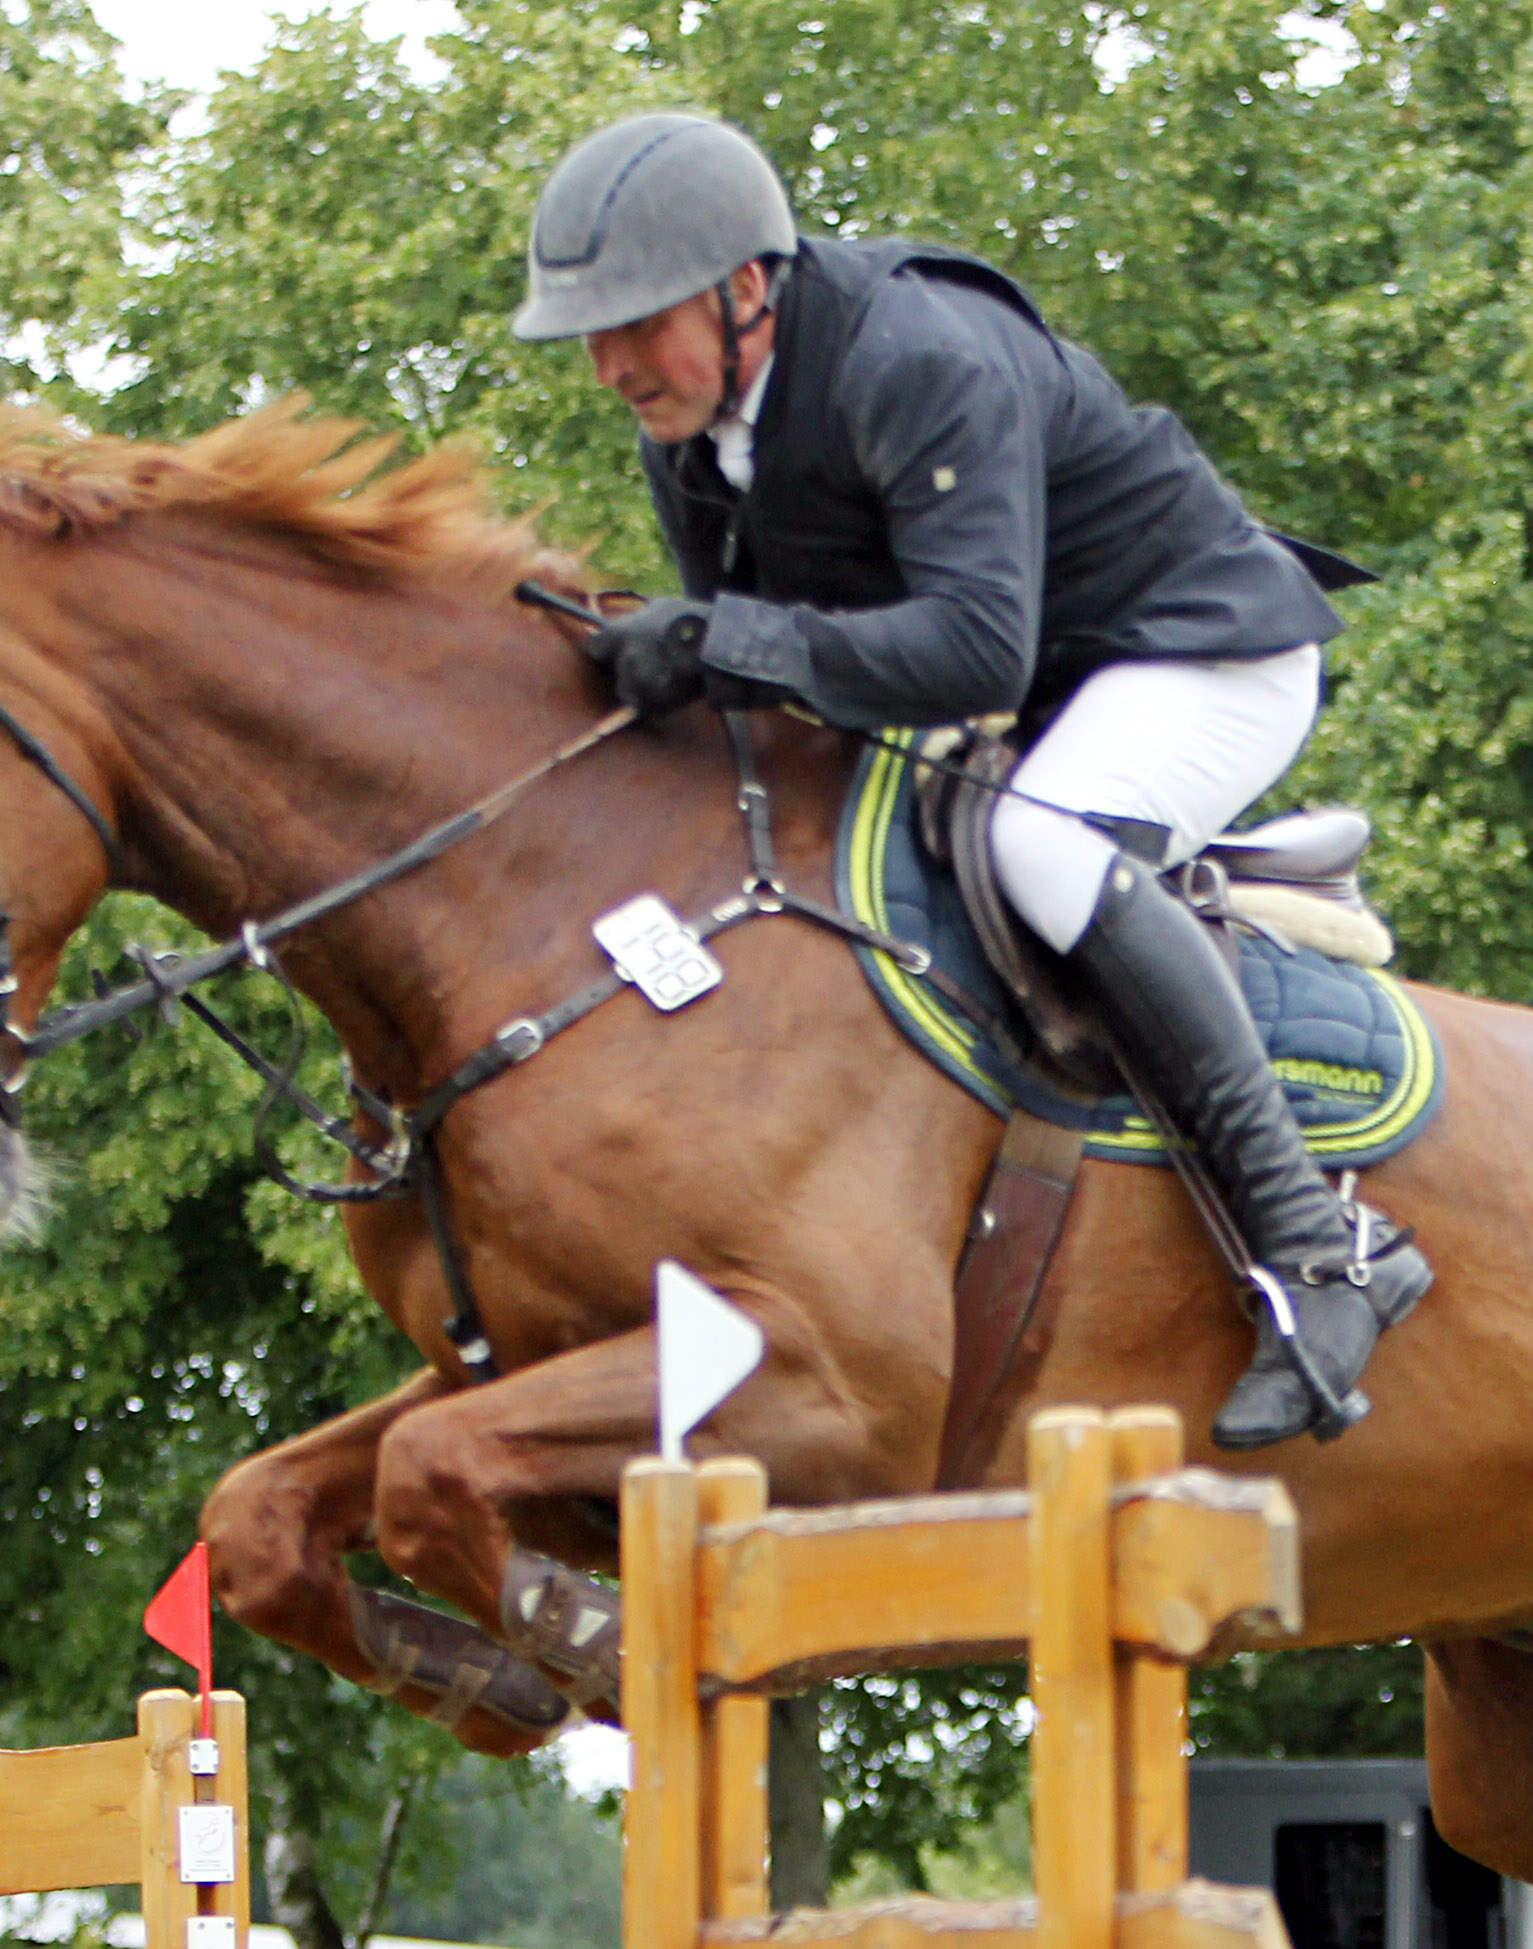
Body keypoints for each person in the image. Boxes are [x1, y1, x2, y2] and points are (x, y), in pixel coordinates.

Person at [513, 110, 1428, 1450]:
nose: (606, 366)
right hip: (1040, 689)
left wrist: (719, 640)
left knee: (1040, 851)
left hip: (1196, 651)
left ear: (745, 287)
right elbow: (769, 687)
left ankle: (1322, 1249)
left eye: (632, 323)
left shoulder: (913, 356)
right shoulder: (694, 424)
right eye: (589, 335)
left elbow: (969, 647)